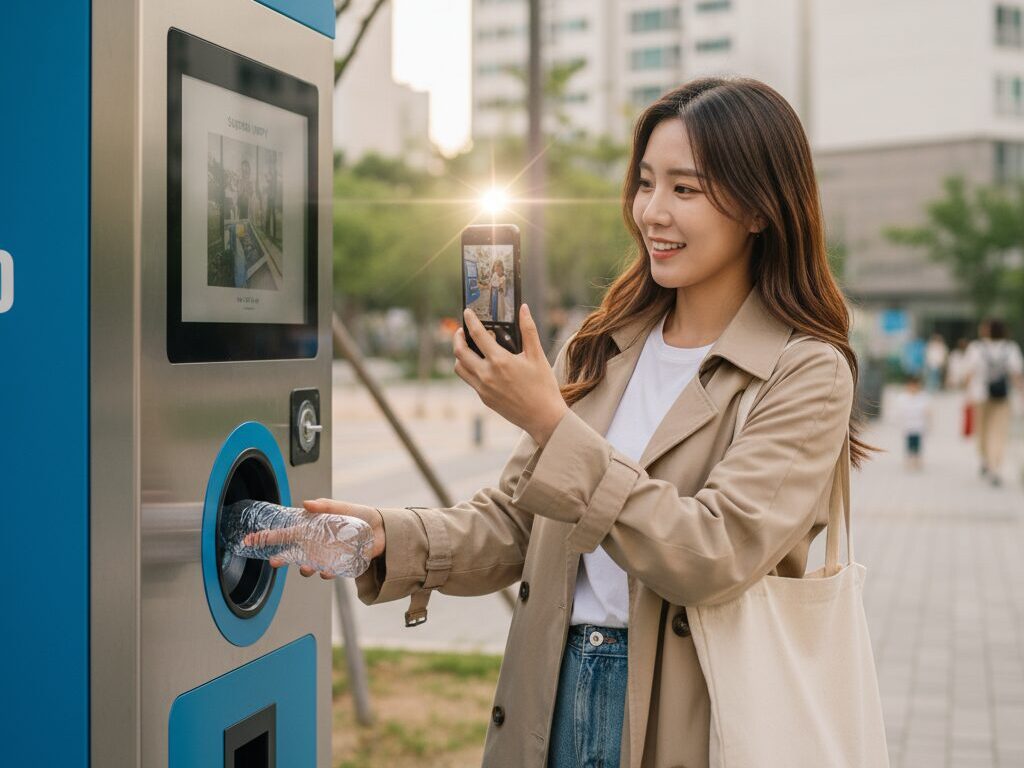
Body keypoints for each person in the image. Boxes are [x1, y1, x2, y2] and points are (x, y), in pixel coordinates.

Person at [281, 79, 868, 767]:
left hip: (689, 715)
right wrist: (388, 535)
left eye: (686, 189)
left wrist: (552, 424)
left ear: (761, 209)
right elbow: (519, 526)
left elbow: (713, 553)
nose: (652, 211)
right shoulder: (601, 345)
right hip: (550, 689)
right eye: (645, 183)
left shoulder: (806, 372)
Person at [966, 318, 1023, 486]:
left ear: (987, 330)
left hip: (980, 396)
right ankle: (995, 466)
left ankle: (986, 460)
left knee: (982, 431)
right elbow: (1016, 375)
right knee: (999, 432)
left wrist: (966, 394)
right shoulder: (1011, 348)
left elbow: (969, 373)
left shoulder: (976, 348)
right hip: (1003, 397)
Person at [896, 375, 930, 470]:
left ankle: (917, 460)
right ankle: (910, 461)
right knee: (909, 445)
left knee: (918, 445)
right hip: (908, 427)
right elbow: (899, 412)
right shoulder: (903, 398)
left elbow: (928, 411)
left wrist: (929, 422)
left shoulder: (923, 397)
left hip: (919, 426)